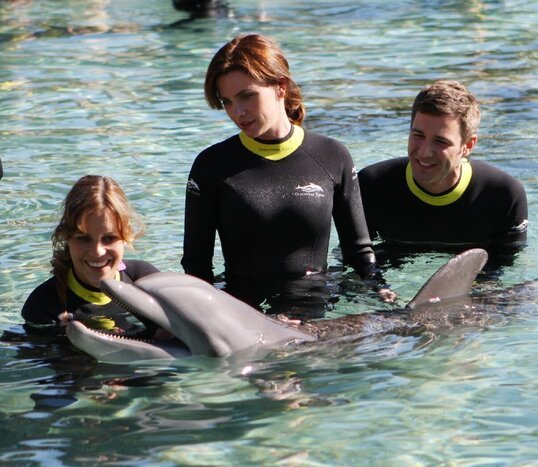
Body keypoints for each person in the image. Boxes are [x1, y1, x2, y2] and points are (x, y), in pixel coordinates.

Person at [182, 33, 381, 316]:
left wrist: (381, 294)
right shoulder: (211, 165)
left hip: (317, 313)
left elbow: (360, 254)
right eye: (226, 101)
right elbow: (197, 268)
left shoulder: (332, 155)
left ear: (280, 87)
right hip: (244, 316)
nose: (237, 112)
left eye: (247, 96)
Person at [358, 80, 528, 264]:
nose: (424, 151)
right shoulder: (372, 185)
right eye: (418, 135)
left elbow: (506, 270)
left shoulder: (503, 196)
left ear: (468, 145)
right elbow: (356, 259)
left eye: (441, 141)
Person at [21, 175, 160, 337]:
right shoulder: (44, 305)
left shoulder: (145, 282)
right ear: (66, 238)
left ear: (126, 235)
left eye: (109, 238)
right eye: (84, 238)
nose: (97, 252)